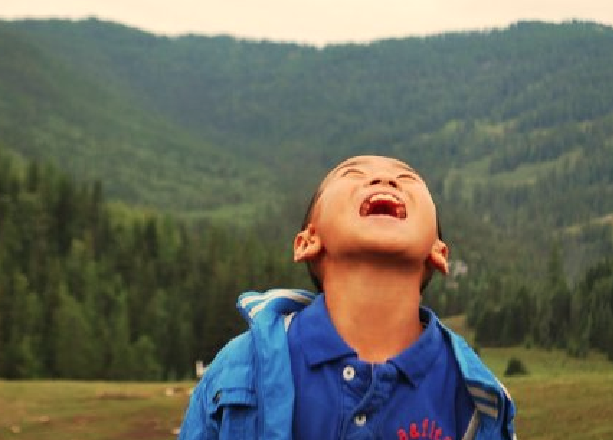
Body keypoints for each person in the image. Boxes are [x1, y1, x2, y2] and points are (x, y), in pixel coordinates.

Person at [177, 155, 517, 440]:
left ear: (439, 252)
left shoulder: (475, 396)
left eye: (406, 178)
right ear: (307, 241)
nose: (385, 180)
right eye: (354, 174)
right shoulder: (240, 367)